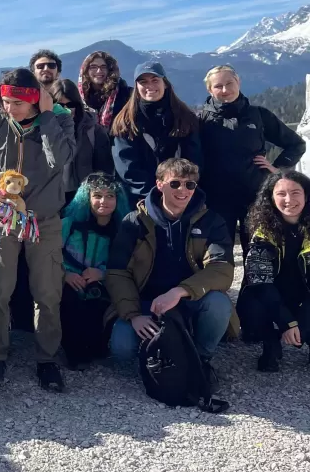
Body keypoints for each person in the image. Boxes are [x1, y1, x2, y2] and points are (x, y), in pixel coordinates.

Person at [0, 68, 75, 392]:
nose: (9, 109)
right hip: (4, 215)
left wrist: (47, 118)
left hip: (43, 218)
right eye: (5, 101)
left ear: (35, 100)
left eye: (16, 103)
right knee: (0, 286)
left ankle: (46, 360)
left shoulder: (60, 119)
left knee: (47, 291)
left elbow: (58, 160)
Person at [105, 159, 234, 371]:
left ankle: (201, 357)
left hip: (189, 299)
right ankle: (164, 345)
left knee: (218, 304)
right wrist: (133, 315)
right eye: (175, 183)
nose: (183, 190)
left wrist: (179, 292)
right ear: (160, 184)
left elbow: (222, 269)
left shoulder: (211, 220)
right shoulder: (134, 221)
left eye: (189, 185)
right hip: (146, 302)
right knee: (122, 350)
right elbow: (117, 272)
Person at [198, 65, 305, 257]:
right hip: (217, 199)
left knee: (258, 252)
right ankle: (219, 288)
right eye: (218, 86)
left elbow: (296, 144)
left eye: (229, 83)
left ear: (238, 82)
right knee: (218, 254)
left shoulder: (259, 115)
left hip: (255, 195)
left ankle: (256, 288)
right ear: (210, 90)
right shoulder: (200, 120)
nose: (225, 90)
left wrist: (277, 171)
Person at [236, 171, 310, 372]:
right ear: (270, 197)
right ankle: (270, 342)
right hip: (272, 297)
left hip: (305, 298)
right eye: (281, 194)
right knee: (251, 304)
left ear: (306, 195)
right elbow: (260, 283)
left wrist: (301, 322)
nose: (289, 200)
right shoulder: (262, 233)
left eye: (296, 192)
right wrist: (287, 322)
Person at [110, 62, 203, 207]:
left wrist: (180, 190)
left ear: (165, 83)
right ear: (136, 87)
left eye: (155, 80)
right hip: (141, 200)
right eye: (143, 82)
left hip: (182, 196)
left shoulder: (185, 117)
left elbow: (194, 159)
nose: (150, 86)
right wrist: (154, 195)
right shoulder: (126, 122)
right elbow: (127, 167)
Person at [59, 173, 126, 369]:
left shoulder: (123, 230)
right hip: (69, 281)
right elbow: (50, 255)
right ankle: (72, 352)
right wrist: (65, 275)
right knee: (70, 301)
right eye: (97, 195)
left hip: (101, 284)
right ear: (86, 197)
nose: (103, 201)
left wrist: (102, 274)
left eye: (110, 196)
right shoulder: (69, 224)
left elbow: (128, 266)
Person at [54, 78, 113, 201]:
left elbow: (104, 170)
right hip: (51, 195)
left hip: (82, 196)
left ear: (78, 105)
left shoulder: (93, 131)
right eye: (59, 105)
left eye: (71, 105)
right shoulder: (42, 130)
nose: (66, 109)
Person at [77, 51, 131, 129]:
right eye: (93, 67)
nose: (99, 71)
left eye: (103, 67)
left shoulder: (125, 94)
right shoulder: (78, 97)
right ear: (86, 70)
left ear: (110, 70)